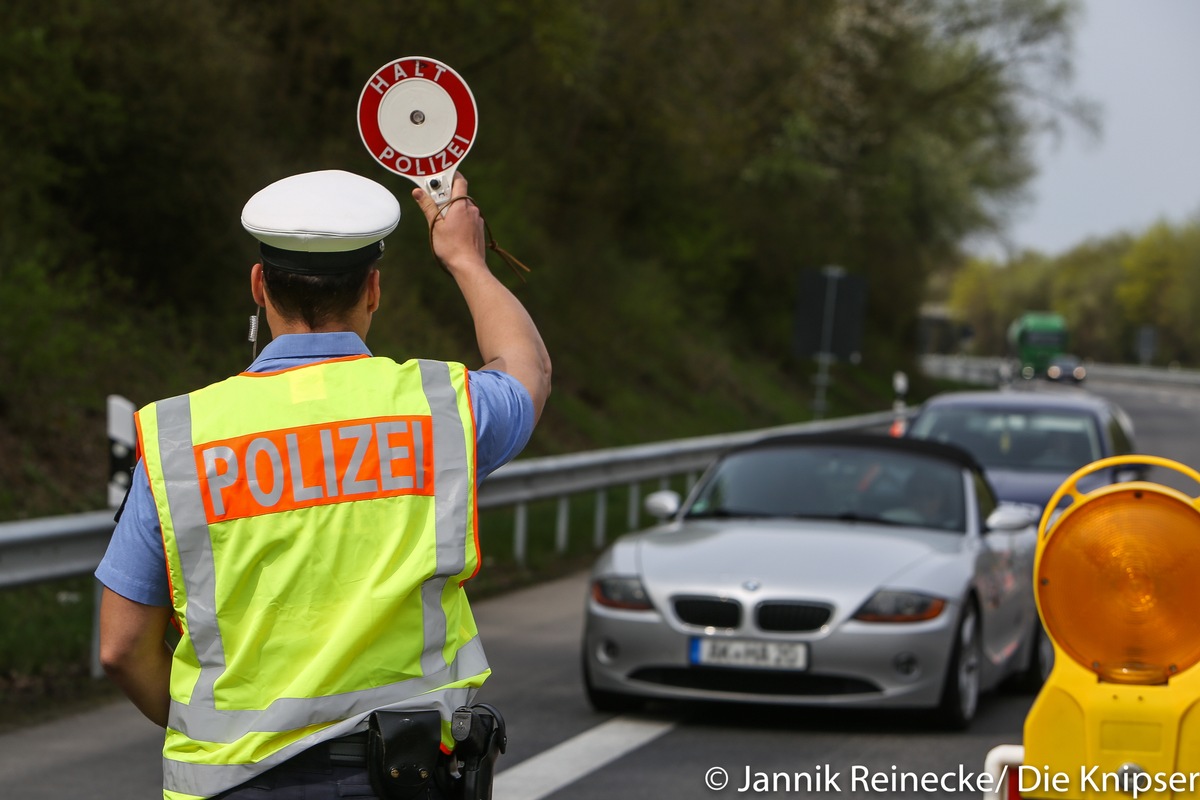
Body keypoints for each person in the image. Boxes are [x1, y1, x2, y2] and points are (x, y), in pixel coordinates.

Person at [94, 168, 551, 800]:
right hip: (404, 776)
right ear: (373, 288)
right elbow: (526, 369)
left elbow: (121, 648)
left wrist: (217, 733)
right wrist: (465, 260)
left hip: (229, 784)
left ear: (259, 285)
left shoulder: (179, 436)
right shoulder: (439, 410)